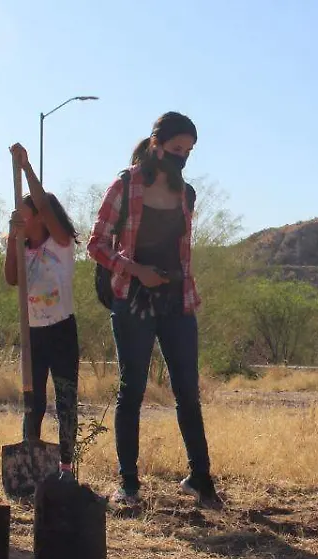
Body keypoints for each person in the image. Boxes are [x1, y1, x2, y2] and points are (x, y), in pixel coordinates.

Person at [87, 112, 220, 509]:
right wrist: (136, 270)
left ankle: (201, 479)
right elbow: (96, 244)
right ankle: (128, 484)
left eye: (189, 150)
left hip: (177, 300)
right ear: (157, 144)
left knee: (187, 391)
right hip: (133, 299)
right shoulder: (125, 185)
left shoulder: (186, 194)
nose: (183, 156)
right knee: (132, 390)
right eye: (177, 148)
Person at [4, 144, 80, 464]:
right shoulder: (22, 248)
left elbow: (44, 204)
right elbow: (11, 278)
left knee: (65, 398)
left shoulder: (60, 243)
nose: (19, 215)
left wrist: (26, 168)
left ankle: (66, 463)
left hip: (61, 329)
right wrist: (12, 239)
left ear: (38, 216)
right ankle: (31, 460)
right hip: (32, 332)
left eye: (25, 211)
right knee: (32, 401)